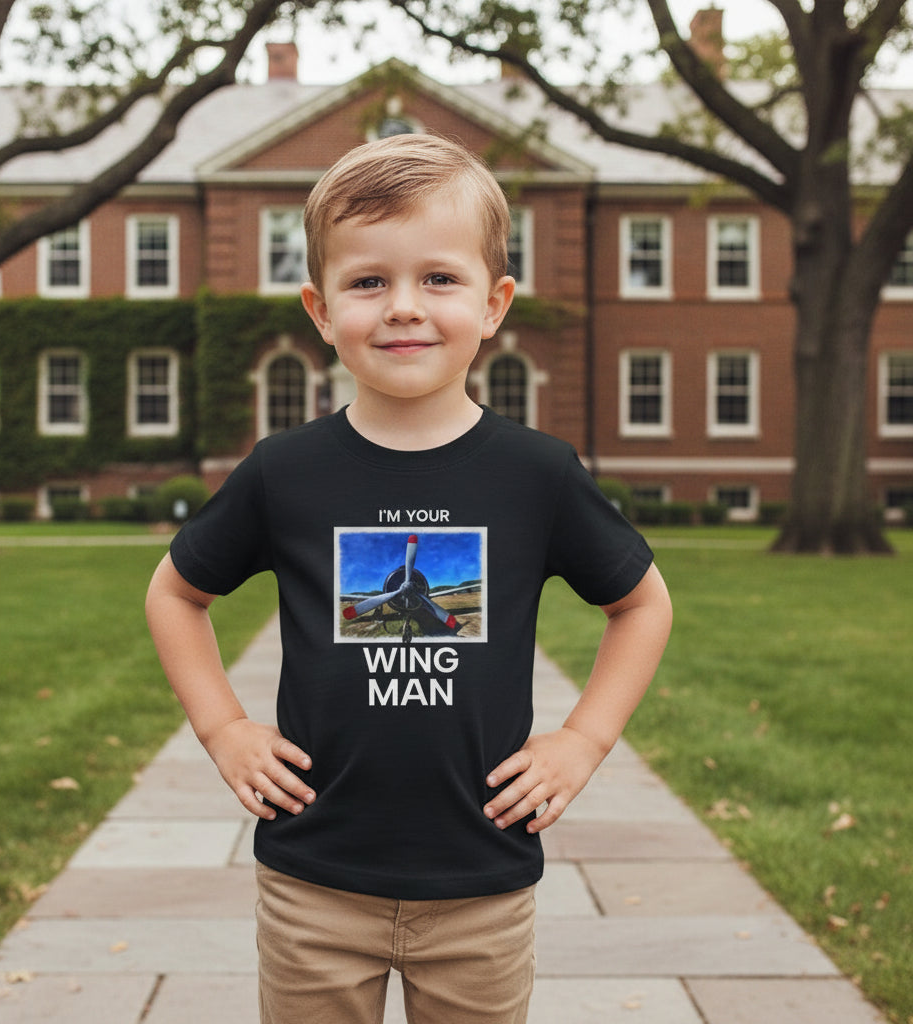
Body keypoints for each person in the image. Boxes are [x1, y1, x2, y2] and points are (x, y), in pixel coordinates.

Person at [146, 132, 672, 1024]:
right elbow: (175, 593)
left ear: (494, 303)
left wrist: (580, 743)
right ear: (320, 309)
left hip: (483, 882)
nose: (402, 308)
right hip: (314, 877)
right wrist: (224, 728)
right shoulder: (286, 471)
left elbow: (642, 604)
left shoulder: (535, 473)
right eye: (367, 282)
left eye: (438, 278)